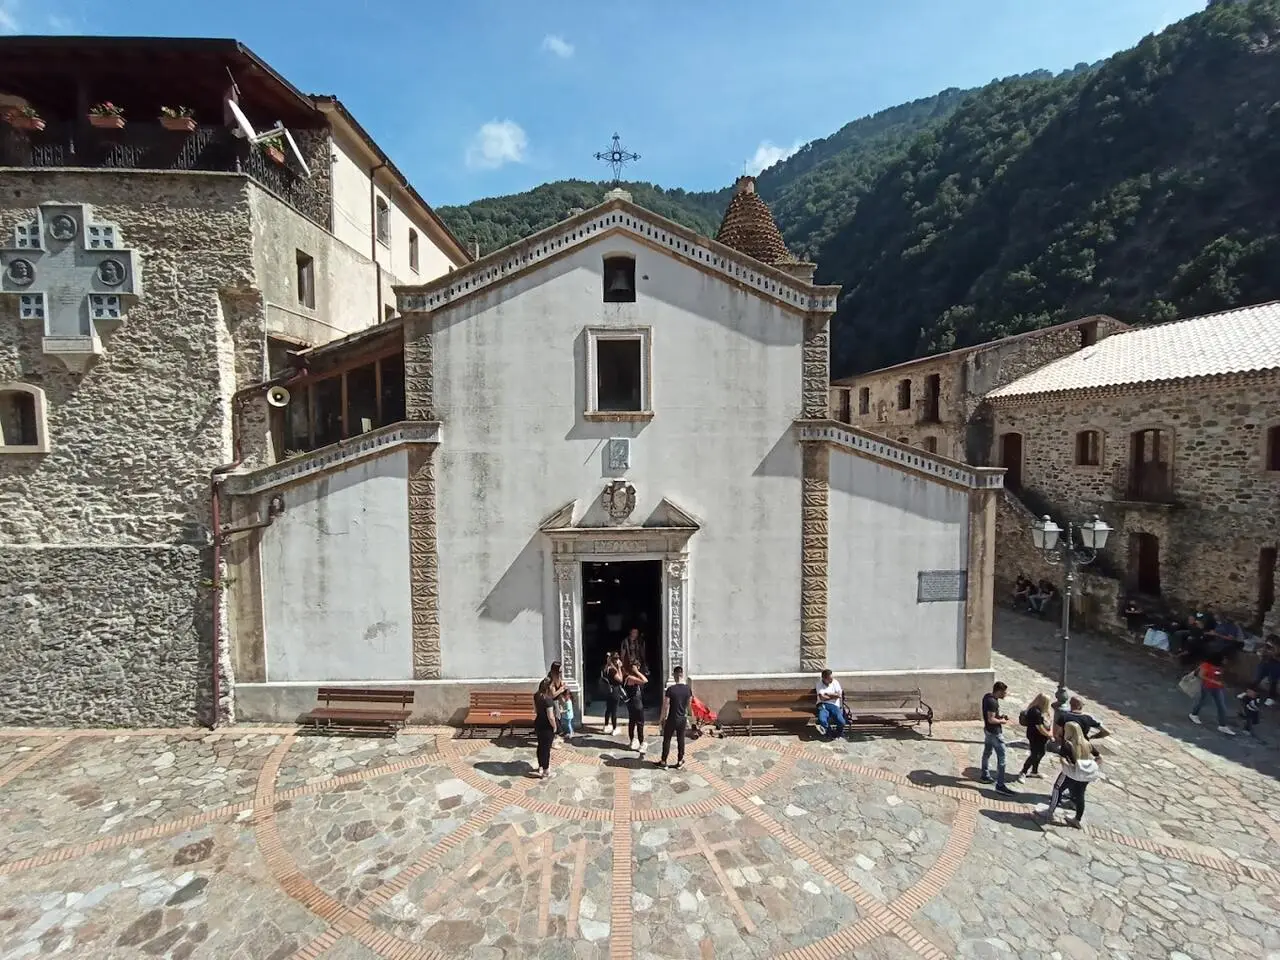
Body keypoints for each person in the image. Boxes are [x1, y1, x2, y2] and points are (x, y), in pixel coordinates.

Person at [1044, 721, 1101, 828]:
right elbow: (1099, 757)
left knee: (1057, 789)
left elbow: (1063, 759)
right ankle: (1077, 819)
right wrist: (1091, 765)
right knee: (1080, 795)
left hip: (1070, 774)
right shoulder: (1087, 743)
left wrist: (1071, 766)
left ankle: (1050, 813)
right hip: (1084, 775)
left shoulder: (1068, 744)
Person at [980, 682, 1016, 796]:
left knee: (987, 753)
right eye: (1004, 692)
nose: (1006, 694)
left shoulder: (987, 697)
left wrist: (1000, 716)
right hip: (995, 734)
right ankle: (1000, 785)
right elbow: (991, 719)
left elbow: (990, 715)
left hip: (988, 731)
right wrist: (1002, 721)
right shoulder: (993, 702)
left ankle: (985, 775)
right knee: (1002, 759)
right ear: (999, 691)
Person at [1189, 652, 1236, 736]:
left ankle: (1222, 725)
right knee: (1202, 701)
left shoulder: (1220, 667)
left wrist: (1222, 684)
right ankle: (1194, 714)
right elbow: (1201, 675)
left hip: (1217, 688)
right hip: (1206, 686)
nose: (1226, 661)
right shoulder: (1206, 665)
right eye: (1224, 659)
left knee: (1221, 706)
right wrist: (1213, 681)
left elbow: (1219, 676)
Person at [658, 666, 693, 769]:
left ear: (674, 675)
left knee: (667, 739)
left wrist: (661, 719)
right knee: (681, 739)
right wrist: (691, 719)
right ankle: (680, 761)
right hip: (682, 719)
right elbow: (689, 706)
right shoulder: (688, 689)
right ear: (682, 674)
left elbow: (665, 706)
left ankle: (664, 761)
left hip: (672, 718)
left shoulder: (670, 689)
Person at [1018, 693, 1052, 780]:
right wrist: (1049, 735)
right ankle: (1023, 771)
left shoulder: (1043, 710)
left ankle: (1034, 771)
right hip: (1035, 736)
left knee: (1041, 753)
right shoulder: (1035, 711)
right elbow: (1039, 727)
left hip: (1042, 737)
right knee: (1034, 755)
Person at [621, 653, 648, 754]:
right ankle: (641, 743)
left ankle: (632, 740)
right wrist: (637, 672)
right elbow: (645, 681)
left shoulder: (627, 677)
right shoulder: (631, 678)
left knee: (632, 721)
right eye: (637, 667)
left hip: (632, 703)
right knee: (639, 723)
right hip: (636, 703)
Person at [532, 678, 557, 779]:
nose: (553, 687)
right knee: (546, 749)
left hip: (538, 723)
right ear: (548, 687)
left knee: (540, 746)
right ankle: (546, 771)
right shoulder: (548, 700)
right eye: (552, 686)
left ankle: (541, 766)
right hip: (547, 726)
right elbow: (551, 717)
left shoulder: (536, 696)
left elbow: (535, 710)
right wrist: (554, 726)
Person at [815, 669, 845, 739]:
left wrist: (827, 694)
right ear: (824, 678)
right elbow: (822, 698)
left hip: (834, 705)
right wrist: (833, 696)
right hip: (822, 705)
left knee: (841, 721)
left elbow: (839, 695)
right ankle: (829, 731)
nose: (831, 680)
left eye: (832, 678)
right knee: (822, 720)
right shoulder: (819, 684)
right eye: (829, 679)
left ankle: (838, 732)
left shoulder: (835, 682)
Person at [547, 662, 573, 744]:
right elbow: (552, 695)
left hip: (557, 702)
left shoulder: (558, 678)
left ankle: (556, 736)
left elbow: (561, 685)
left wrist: (564, 686)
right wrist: (561, 689)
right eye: (560, 671)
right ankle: (554, 737)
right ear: (555, 670)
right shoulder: (550, 679)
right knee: (554, 719)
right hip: (551, 702)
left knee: (558, 718)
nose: (561, 673)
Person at [600, 652, 623, 735]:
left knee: (608, 709)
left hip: (608, 691)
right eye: (617, 659)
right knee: (614, 710)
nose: (618, 660)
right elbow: (620, 680)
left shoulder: (605, 668)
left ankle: (606, 725)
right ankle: (615, 728)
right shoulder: (612, 670)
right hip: (614, 691)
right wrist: (619, 668)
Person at [1254, 635, 1280, 707]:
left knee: (1273, 678)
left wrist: (1272, 653)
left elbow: (1276, 656)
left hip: (1276, 665)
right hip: (1267, 664)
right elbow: (1260, 653)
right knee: (1258, 675)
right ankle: (1250, 692)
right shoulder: (1267, 647)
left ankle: (1271, 697)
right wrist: (1262, 653)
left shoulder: (1277, 648)